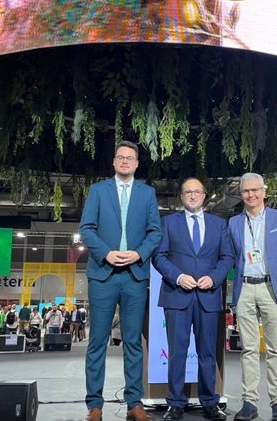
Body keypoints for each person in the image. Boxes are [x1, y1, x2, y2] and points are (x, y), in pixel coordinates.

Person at [80, 140, 162, 421]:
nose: (125, 161)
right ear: (114, 162)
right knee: (97, 341)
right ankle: (95, 405)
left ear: (137, 164)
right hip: (103, 274)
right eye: (120, 157)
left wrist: (138, 254)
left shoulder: (147, 193)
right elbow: (86, 229)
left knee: (133, 342)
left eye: (130, 158)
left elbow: (155, 233)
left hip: (134, 275)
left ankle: (134, 403)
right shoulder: (98, 191)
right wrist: (107, 253)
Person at [152, 177, 234, 421]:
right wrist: (178, 277)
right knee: (177, 352)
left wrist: (214, 278)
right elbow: (158, 256)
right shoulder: (168, 223)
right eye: (188, 192)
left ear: (205, 196)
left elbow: (228, 256)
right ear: (181, 197)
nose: (192, 195)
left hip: (208, 296)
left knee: (208, 352)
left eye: (197, 191)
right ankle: (175, 403)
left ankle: (210, 402)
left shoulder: (219, 224)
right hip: (177, 296)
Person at [228, 173, 277, 421]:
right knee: (248, 349)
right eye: (246, 191)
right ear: (241, 194)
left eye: (255, 190)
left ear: (264, 191)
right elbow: (230, 255)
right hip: (244, 288)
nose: (250, 195)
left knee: (275, 349)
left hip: (271, 289)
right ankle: (250, 402)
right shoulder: (234, 223)